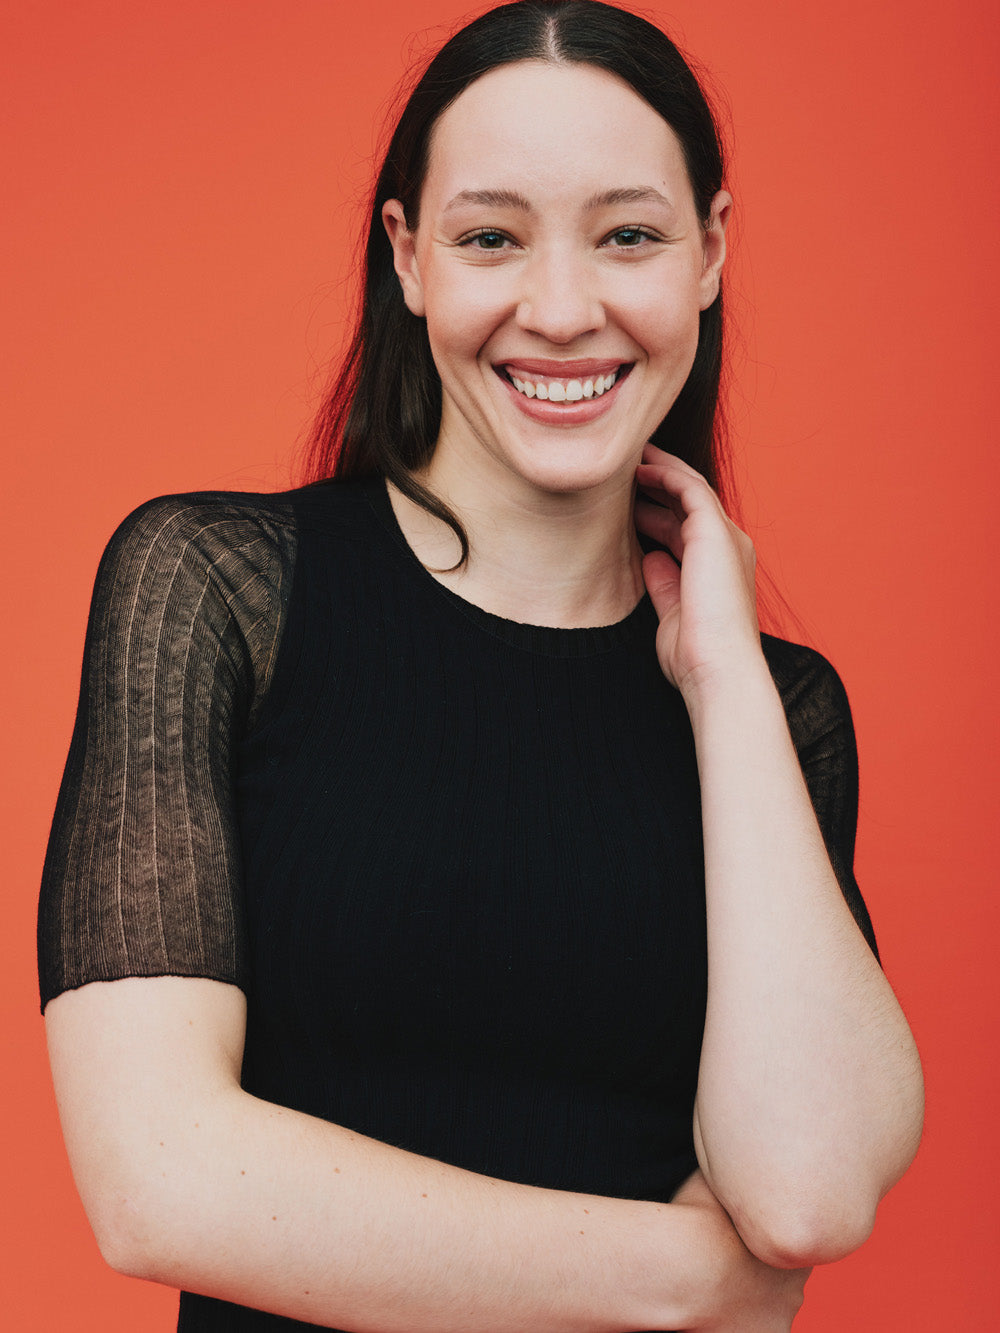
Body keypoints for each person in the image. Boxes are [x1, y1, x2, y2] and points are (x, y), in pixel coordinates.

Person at [38, 2, 924, 1329]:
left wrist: (725, 673)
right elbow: (158, 1182)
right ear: (408, 257)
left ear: (711, 252)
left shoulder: (777, 711)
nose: (561, 309)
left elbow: (807, 1195)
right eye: (491, 236)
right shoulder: (217, 591)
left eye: (628, 233)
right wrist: (687, 1283)